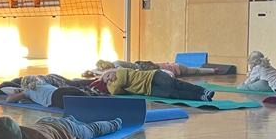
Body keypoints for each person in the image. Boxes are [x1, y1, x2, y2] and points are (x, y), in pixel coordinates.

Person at [102, 67, 213, 102]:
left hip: (153, 76)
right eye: (107, 81)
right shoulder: (115, 86)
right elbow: (116, 92)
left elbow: (120, 82)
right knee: (173, 94)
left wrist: (111, 84)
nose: (109, 80)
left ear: (112, 71)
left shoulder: (121, 72)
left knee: (175, 84)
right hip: (150, 90)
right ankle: (201, 97)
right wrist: (109, 85)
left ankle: (203, 90)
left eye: (108, 76)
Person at [2, 75, 98, 110]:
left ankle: (91, 103)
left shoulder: (28, 91)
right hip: (59, 91)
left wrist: (20, 93)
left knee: (73, 103)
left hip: (55, 98)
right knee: (78, 93)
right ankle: (95, 100)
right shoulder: (41, 83)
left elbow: (9, 99)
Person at [85, 59, 214, 78]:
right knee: (193, 71)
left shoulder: (117, 64)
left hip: (176, 68)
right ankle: (211, 70)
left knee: (194, 71)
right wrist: (91, 72)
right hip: (157, 69)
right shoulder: (113, 67)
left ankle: (213, 70)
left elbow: (118, 70)